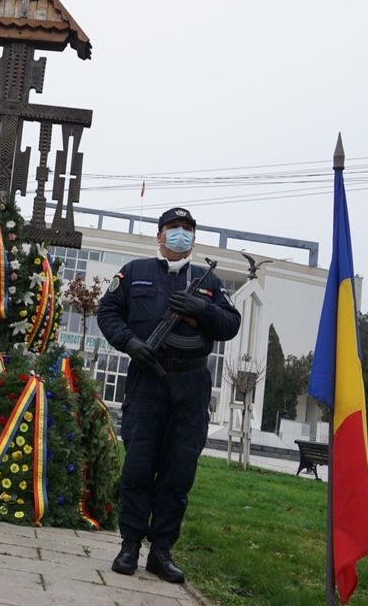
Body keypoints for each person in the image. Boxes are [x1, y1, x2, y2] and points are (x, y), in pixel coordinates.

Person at [97, 206, 240, 582]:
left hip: (191, 386)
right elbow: (107, 312)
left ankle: (161, 551)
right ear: (159, 235)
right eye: (174, 228)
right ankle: (129, 545)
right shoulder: (134, 272)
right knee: (139, 465)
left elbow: (230, 324)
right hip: (148, 380)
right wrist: (130, 343)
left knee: (179, 471)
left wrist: (204, 308)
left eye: (188, 229)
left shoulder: (209, 282)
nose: (181, 234)